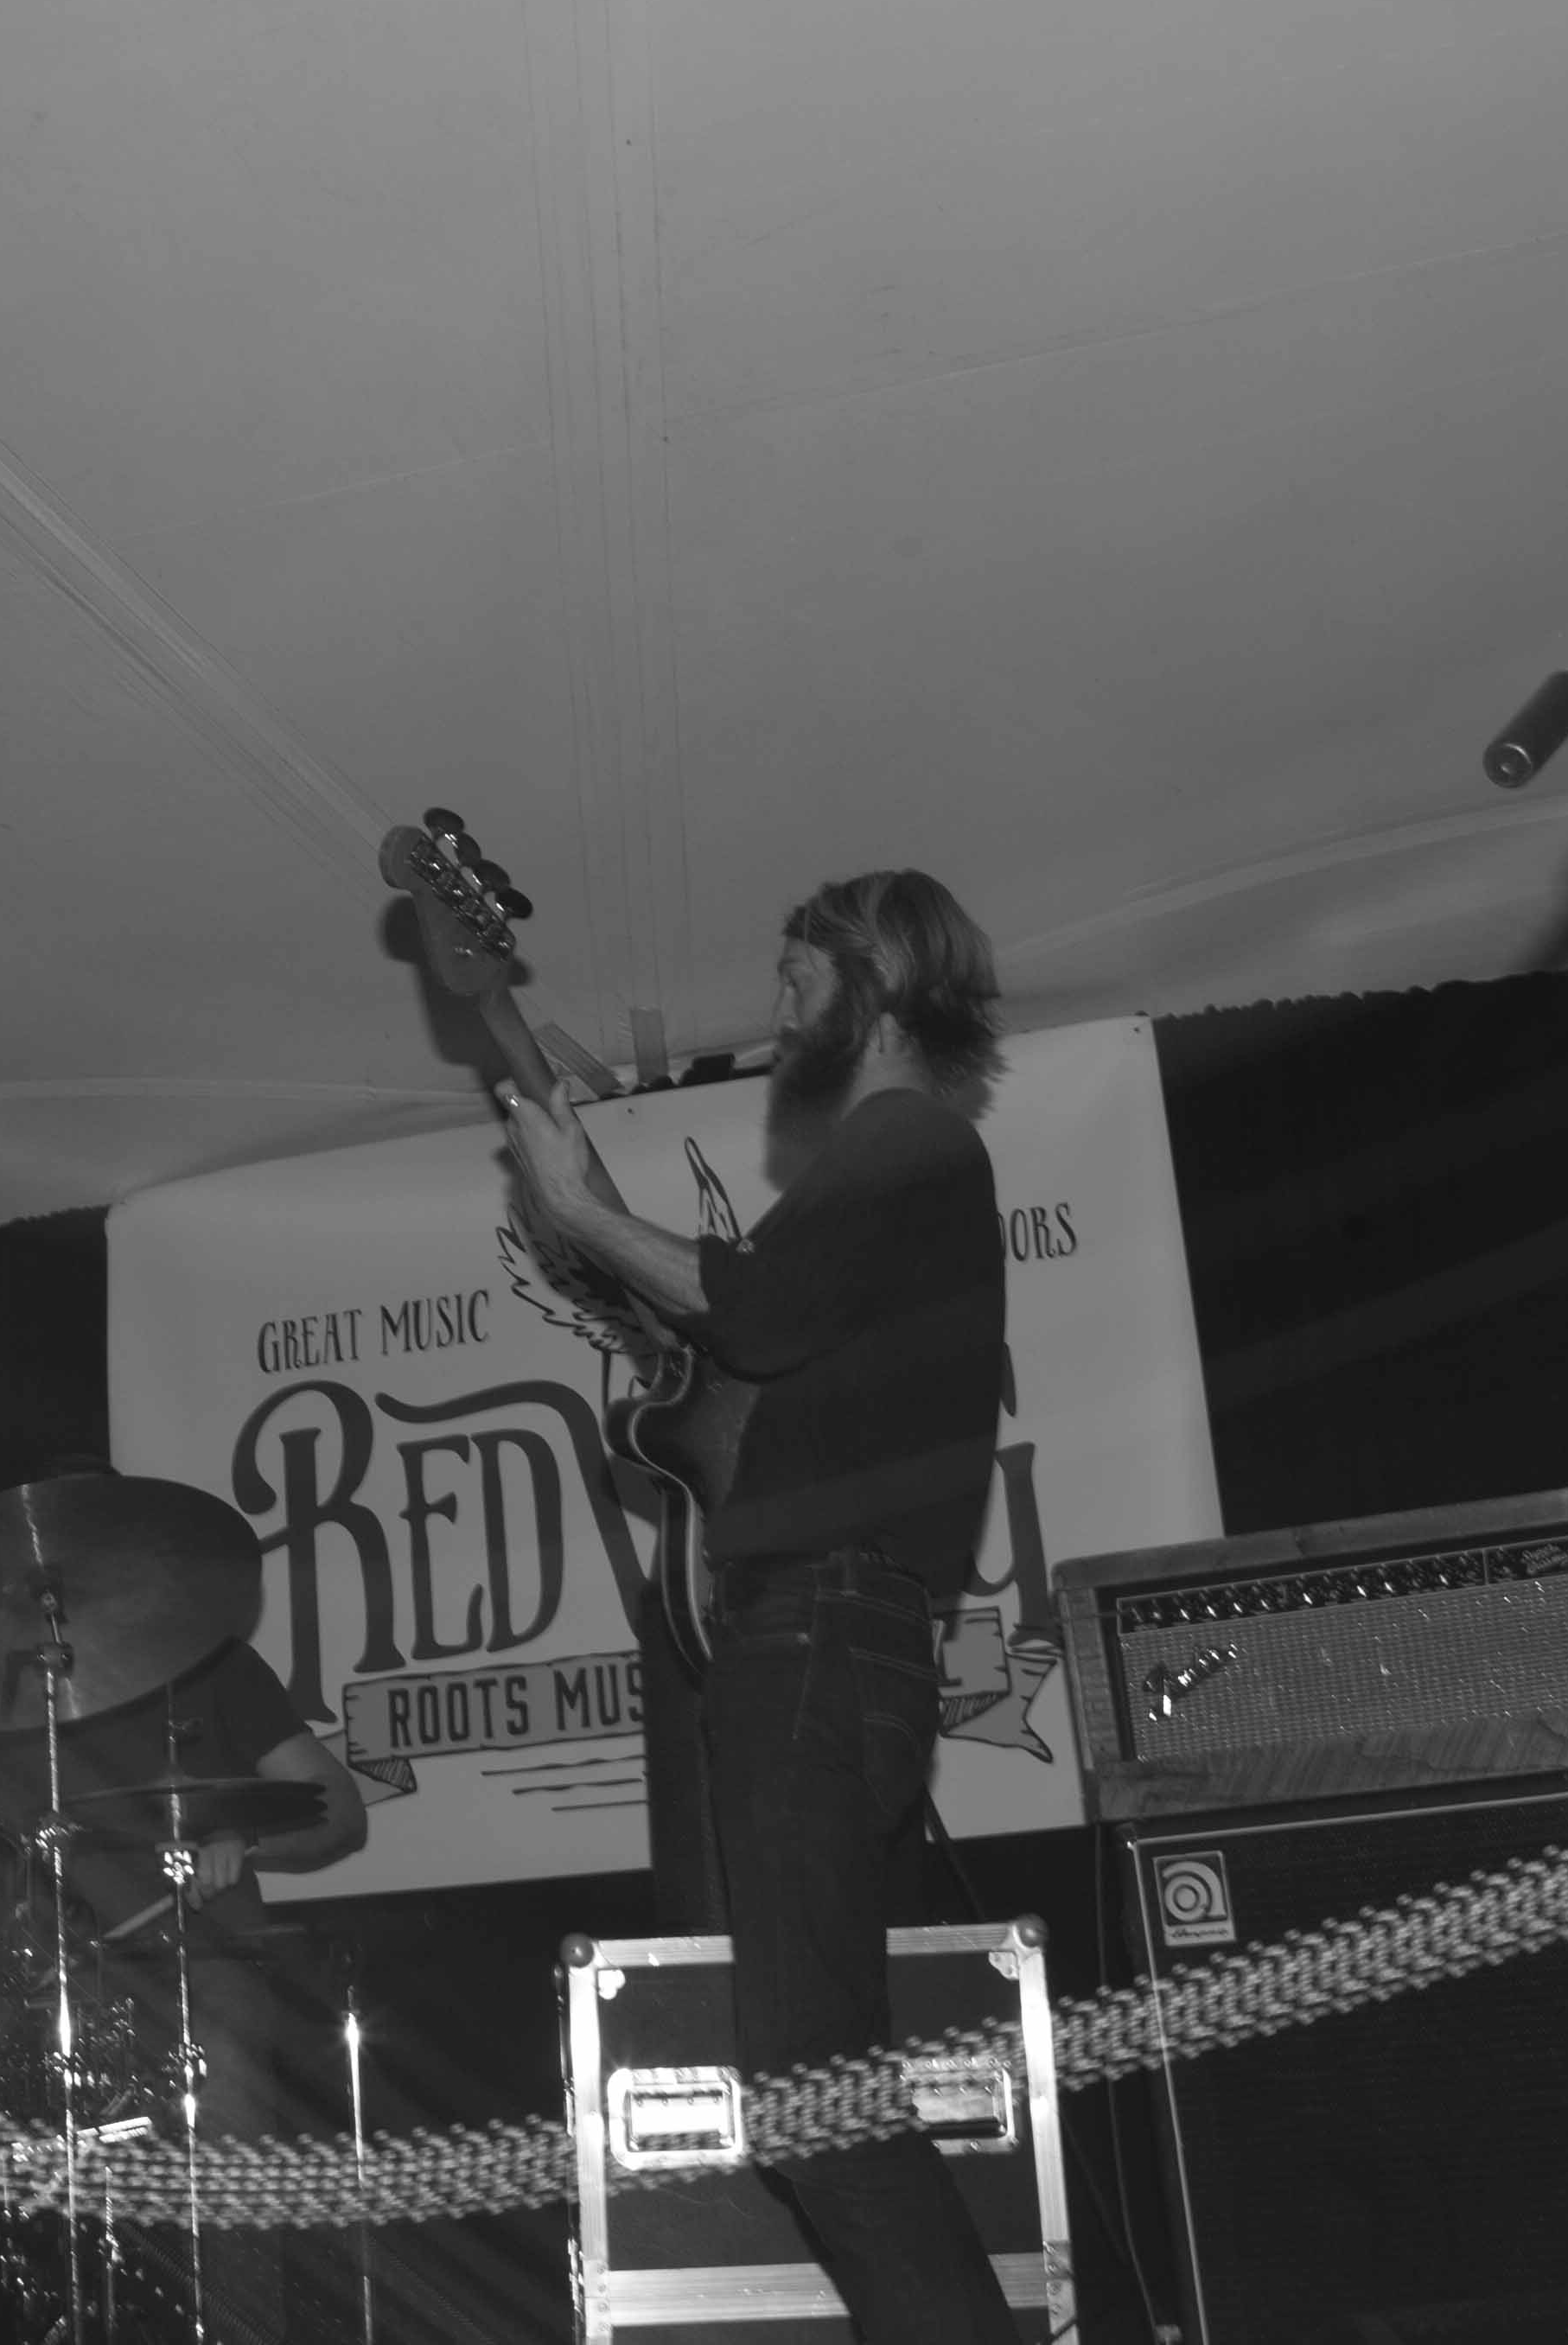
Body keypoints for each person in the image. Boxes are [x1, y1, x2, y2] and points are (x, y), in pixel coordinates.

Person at [500, 869, 1016, 2345]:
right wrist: (602, 1241)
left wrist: (580, 1207)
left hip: (819, 1640)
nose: (779, 1008)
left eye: (800, 976)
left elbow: (759, 1313)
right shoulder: (896, 1170)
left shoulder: (901, 1140)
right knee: (821, 2088)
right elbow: (744, 1356)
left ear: (880, 980)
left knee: (809, 2096)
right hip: (841, 1647)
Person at [0, 1561, 367, 2340]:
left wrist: (244, 1840)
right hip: (57, 1973)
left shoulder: (214, 1668)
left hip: (204, 1968)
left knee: (226, 2156)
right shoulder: (10, 1690)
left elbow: (341, 1814)